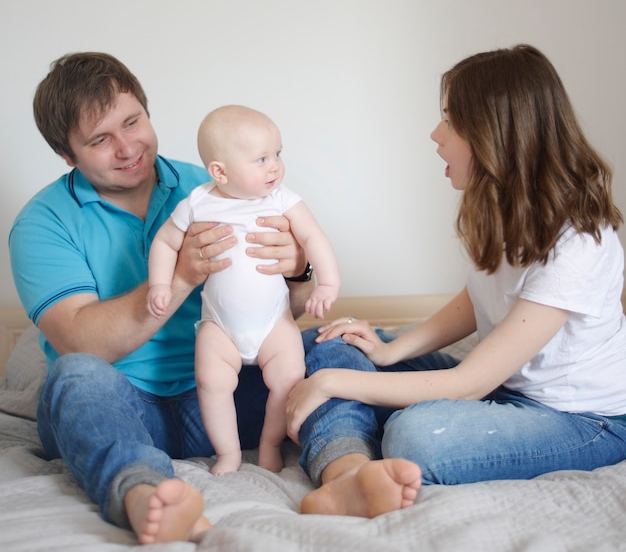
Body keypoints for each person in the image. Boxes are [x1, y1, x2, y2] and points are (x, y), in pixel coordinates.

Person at [286, 44, 626, 519]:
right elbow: (478, 300)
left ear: (494, 133)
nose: (435, 134)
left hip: (581, 420)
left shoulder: (580, 242)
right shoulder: (508, 209)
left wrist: (331, 384)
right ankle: (346, 472)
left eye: (449, 120)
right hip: (503, 387)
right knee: (331, 341)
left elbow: (469, 382)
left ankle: (346, 441)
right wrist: (391, 349)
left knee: (416, 433)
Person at [9, 52, 315, 545]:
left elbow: (279, 314)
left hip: (224, 392)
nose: (127, 147)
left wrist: (298, 271)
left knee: (335, 348)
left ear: (148, 113)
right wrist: (179, 277)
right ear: (68, 156)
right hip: (124, 406)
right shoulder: (42, 224)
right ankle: (145, 496)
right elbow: (82, 343)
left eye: (132, 122)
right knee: (74, 376)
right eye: (100, 139)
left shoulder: (213, 185)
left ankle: (345, 470)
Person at [147, 104, 340, 475]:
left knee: (289, 376)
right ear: (220, 171)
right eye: (262, 159)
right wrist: (160, 283)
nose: (275, 167)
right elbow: (165, 243)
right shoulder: (198, 202)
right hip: (219, 326)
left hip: (274, 323)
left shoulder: (281, 199)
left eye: (278, 155)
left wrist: (327, 282)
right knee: (211, 380)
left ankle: (269, 443)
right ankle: (229, 453)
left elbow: (313, 236)